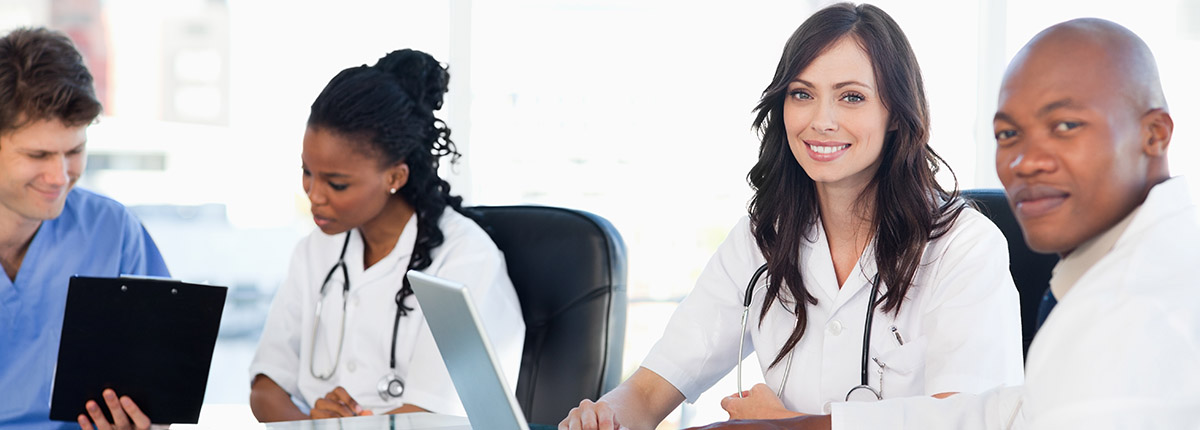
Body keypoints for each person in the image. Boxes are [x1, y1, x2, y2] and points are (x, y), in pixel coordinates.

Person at [684, 16, 1198, 430]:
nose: (1026, 161)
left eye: (1065, 126)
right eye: (1008, 134)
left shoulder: (1145, 309)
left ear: (1155, 134)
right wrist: (798, 428)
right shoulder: (1110, 274)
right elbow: (1001, 413)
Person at [560, 3, 1023, 429]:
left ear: (897, 114)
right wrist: (604, 418)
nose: (821, 120)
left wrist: (785, 424)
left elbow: (967, 422)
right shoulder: (763, 236)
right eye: (802, 94)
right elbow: (648, 390)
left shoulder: (964, 247)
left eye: (851, 97)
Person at [247, 49, 525, 422]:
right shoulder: (315, 250)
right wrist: (316, 427)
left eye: (337, 183)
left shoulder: (466, 259)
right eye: (307, 172)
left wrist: (339, 426)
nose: (314, 195)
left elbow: (435, 416)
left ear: (395, 177)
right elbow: (266, 388)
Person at [0, 28, 170, 430]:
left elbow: (161, 397)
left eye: (74, 152)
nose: (59, 177)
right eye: (38, 154)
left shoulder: (111, 230)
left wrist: (145, 423)